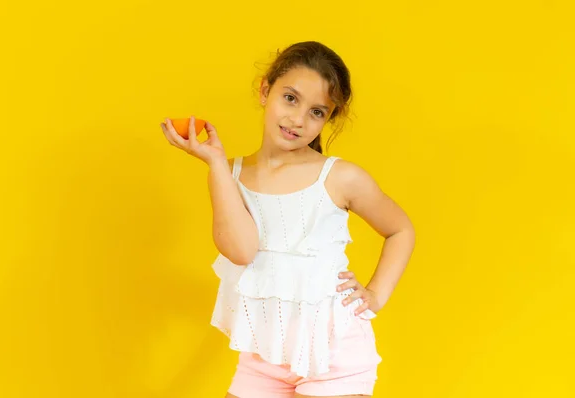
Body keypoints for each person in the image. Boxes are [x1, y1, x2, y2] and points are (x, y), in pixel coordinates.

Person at [160, 41, 415, 398]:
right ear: (266, 90)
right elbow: (242, 251)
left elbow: (400, 229)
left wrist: (375, 295)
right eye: (291, 98)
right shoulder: (230, 173)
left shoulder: (339, 177)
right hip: (264, 356)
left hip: (333, 356)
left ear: (329, 119)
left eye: (317, 112)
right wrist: (216, 164)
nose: (298, 119)